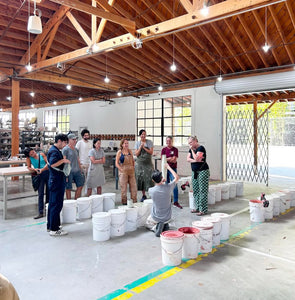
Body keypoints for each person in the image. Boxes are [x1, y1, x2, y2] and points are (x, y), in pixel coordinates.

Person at [146, 164, 179, 237]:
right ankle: (164, 224)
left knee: (147, 222)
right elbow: (176, 177)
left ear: (153, 180)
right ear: (162, 178)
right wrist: (168, 167)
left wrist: (161, 181)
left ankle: (158, 226)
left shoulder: (150, 190)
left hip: (156, 216)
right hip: (167, 216)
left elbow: (158, 187)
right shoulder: (168, 187)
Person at [47, 134, 70, 236]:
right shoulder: (54, 151)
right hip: (56, 180)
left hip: (56, 179)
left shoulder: (55, 150)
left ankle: (51, 225)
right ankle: (54, 229)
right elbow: (52, 164)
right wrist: (63, 160)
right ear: (60, 141)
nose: (65, 145)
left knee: (53, 204)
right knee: (56, 204)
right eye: (65, 143)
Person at [187, 136, 210, 216]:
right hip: (195, 172)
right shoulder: (191, 149)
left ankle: (203, 209)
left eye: (191, 143)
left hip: (202, 171)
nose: (190, 145)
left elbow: (197, 158)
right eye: (189, 143)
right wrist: (195, 160)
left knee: (202, 190)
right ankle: (197, 207)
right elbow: (188, 159)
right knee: (196, 190)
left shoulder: (201, 148)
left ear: (195, 141)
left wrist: (193, 153)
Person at [24, 147, 49, 219]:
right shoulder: (29, 159)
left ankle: (48, 209)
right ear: (29, 155)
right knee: (40, 194)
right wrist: (34, 169)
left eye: (33, 152)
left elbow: (48, 163)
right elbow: (28, 167)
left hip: (47, 173)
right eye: (31, 154)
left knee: (49, 192)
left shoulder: (42, 154)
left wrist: (42, 169)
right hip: (39, 175)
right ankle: (40, 212)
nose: (33, 154)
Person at [161, 136, 182, 209]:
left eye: (169, 141)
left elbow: (174, 160)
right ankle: (167, 200)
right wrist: (169, 158)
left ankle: (176, 201)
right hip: (165, 169)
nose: (168, 142)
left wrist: (167, 159)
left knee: (174, 184)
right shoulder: (163, 150)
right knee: (166, 184)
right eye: (167, 141)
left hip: (172, 169)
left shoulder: (175, 149)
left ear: (172, 141)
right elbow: (163, 159)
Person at [62, 133, 85, 199]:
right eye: (73, 139)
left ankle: (76, 201)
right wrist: (65, 172)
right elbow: (63, 160)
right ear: (69, 140)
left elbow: (78, 159)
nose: (75, 141)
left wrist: (80, 169)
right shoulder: (65, 149)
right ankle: (70, 202)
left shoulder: (76, 149)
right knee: (68, 188)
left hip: (77, 170)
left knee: (80, 185)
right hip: (69, 172)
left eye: (75, 139)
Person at [115, 139, 137, 205]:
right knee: (124, 189)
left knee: (134, 187)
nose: (126, 144)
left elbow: (133, 160)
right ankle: (124, 202)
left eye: (127, 143)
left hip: (131, 171)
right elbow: (116, 163)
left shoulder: (130, 151)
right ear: (122, 144)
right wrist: (120, 169)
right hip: (123, 171)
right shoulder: (119, 152)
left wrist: (133, 166)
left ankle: (134, 202)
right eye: (125, 143)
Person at [134, 129, 154, 202]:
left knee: (150, 179)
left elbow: (151, 152)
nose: (143, 136)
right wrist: (140, 147)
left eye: (144, 134)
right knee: (141, 180)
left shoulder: (149, 142)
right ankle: (143, 195)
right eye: (142, 134)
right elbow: (136, 154)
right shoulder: (137, 143)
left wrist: (144, 147)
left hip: (148, 163)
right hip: (140, 164)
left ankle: (151, 194)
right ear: (140, 135)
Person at [76, 129, 92, 194]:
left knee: (89, 181)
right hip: (82, 164)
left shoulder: (90, 143)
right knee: (82, 181)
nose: (86, 136)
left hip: (89, 164)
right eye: (85, 135)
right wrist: (79, 162)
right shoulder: (79, 143)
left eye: (87, 135)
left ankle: (87, 194)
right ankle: (80, 195)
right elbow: (76, 152)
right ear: (82, 136)